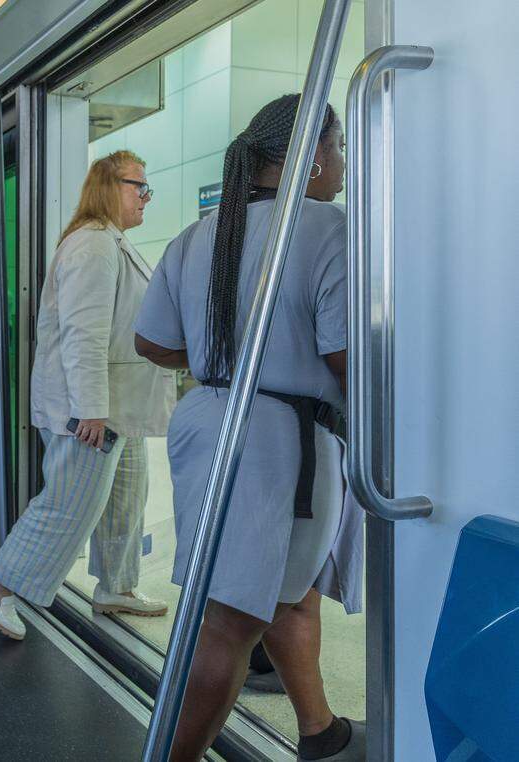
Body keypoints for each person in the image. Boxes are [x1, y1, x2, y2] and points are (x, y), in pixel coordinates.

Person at [132, 94, 363, 761]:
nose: (342, 161)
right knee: (228, 623)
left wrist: (222, 359)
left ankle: (319, 731)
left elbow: (154, 343)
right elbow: (342, 353)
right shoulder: (326, 228)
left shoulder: (200, 233)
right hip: (278, 440)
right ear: (308, 153)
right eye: (339, 145)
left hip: (212, 417)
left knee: (291, 591)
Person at [0, 150, 176, 640]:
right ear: (108, 186)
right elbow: (84, 335)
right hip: (88, 411)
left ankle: (116, 586)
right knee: (71, 503)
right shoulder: (92, 246)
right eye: (138, 185)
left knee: (126, 498)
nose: (146, 196)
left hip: (117, 406)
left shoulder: (115, 242)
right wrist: (91, 410)